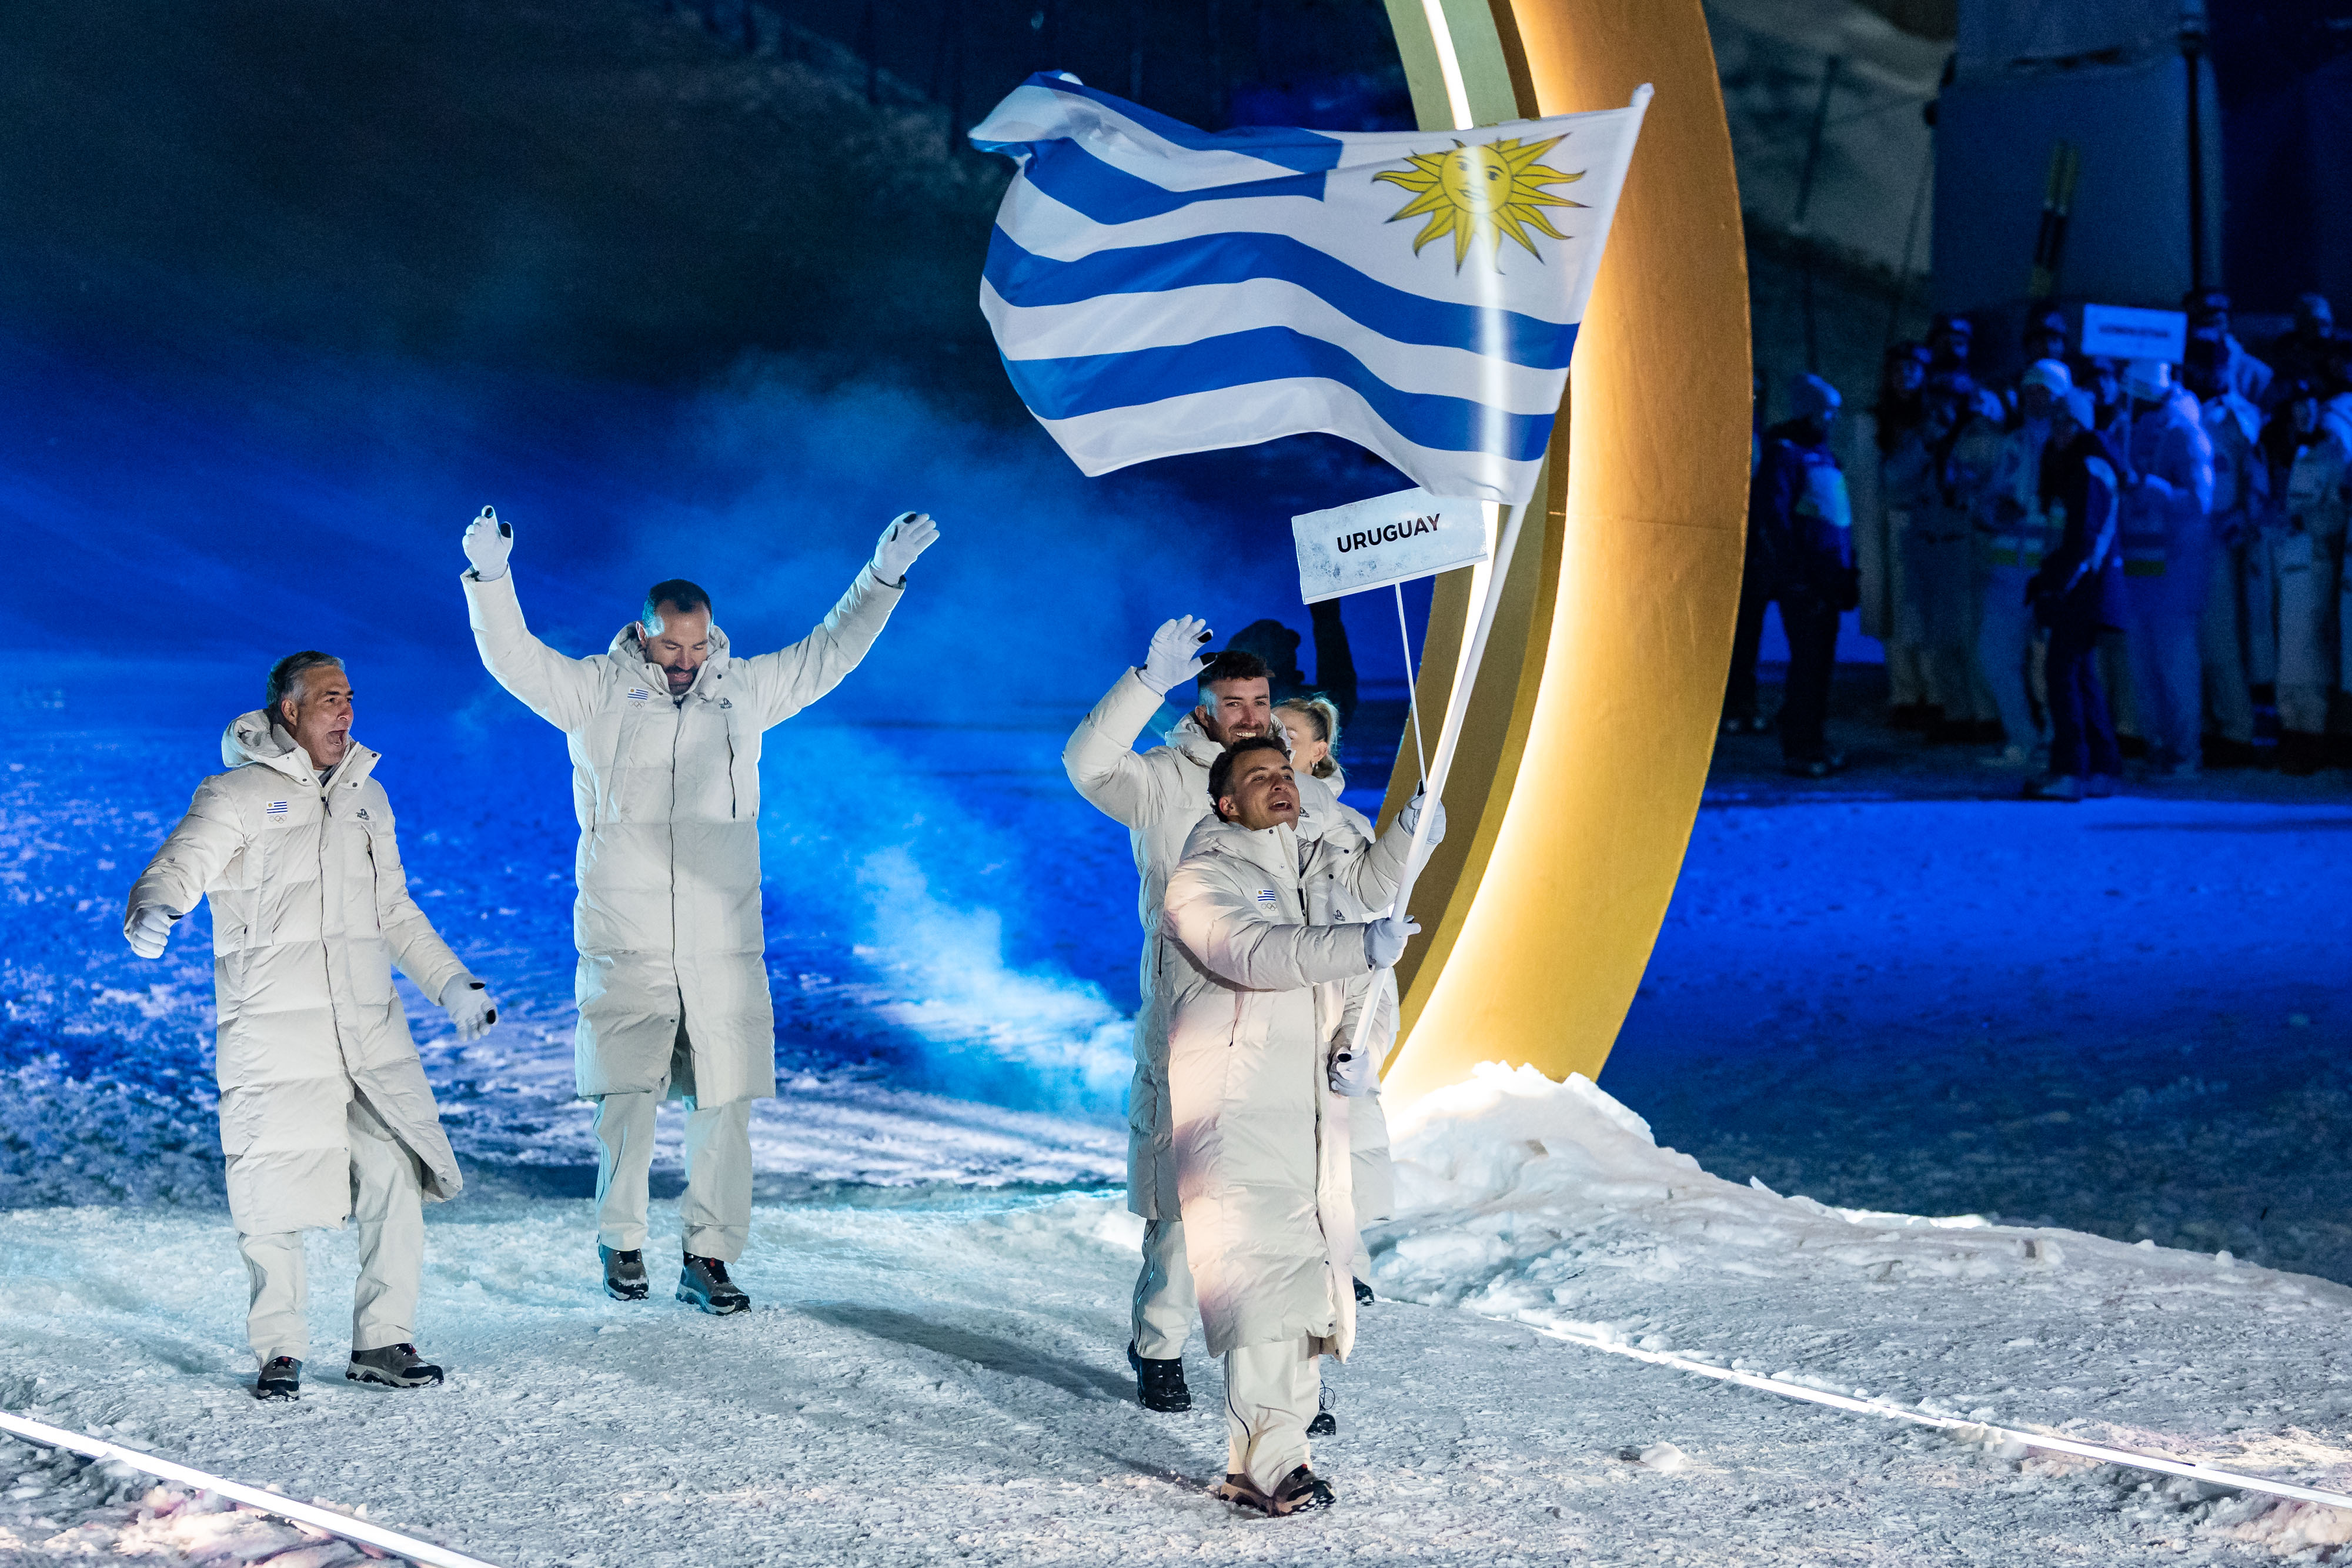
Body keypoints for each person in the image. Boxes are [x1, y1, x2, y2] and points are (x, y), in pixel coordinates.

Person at [459, 506, 936, 1312]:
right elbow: (513, 656)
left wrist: (882, 576)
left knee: (724, 1101)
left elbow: (830, 651)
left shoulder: (741, 691)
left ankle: (709, 1256)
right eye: (670, 647)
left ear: (712, 637)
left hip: (721, 938)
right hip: (628, 934)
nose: (685, 662)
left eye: (697, 646)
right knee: (627, 1098)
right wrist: (492, 578)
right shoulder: (595, 690)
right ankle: (621, 1241)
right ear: (643, 635)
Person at [122, 652, 495, 1400]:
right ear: (289, 711)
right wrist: (154, 906)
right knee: (269, 1186)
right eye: (329, 699)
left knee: (394, 1172)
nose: (345, 711)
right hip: (274, 1031)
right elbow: (182, 861)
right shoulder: (235, 794)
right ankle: (280, 1350)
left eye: (349, 697)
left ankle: (383, 1339)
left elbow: (393, 911)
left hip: (365, 1029)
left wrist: (452, 984)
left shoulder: (367, 798)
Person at [1065, 630, 1419, 1412]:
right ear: (1203, 711)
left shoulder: (1299, 795)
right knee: (1189, 1213)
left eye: (1261, 702)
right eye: (1233, 704)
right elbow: (1087, 765)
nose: (1252, 715)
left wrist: (1406, 831)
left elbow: (1355, 902)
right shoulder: (1163, 783)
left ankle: (1290, 1388)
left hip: (1288, 1027)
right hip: (1198, 1021)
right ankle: (1158, 1340)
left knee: (1291, 1213)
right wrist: (1145, 682)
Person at [1160, 735, 1421, 1516]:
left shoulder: (1316, 878)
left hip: (1310, 1116)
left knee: (1307, 1289)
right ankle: (1271, 1461)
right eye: (1257, 776)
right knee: (1262, 1288)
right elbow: (1253, 952)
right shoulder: (1202, 878)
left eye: (1284, 772)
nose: (1280, 783)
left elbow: (1358, 991)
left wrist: (1355, 1049)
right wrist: (1354, 941)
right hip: (1236, 1113)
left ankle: (1274, 1459)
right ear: (1225, 803)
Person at [1746, 374, 1858, 776]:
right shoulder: (1786, 455)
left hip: (1829, 575)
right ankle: (1801, 745)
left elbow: (1837, 517)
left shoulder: (1823, 456)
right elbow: (1775, 517)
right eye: (1826, 411)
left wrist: (1847, 568)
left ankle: (1812, 737)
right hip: (1806, 578)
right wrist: (1795, 572)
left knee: (1820, 663)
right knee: (1809, 663)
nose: (1833, 419)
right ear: (1808, 411)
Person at [2023, 391, 2129, 800]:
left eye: (2067, 423)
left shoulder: (2088, 467)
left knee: (2061, 672)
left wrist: (2057, 585)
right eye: (2055, 423)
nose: (2059, 431)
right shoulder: (2080, 465)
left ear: (2082, 426)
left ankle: (2072, 769)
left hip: (2084, 588)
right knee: (2080, 674)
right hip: (2085, 585)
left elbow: (2085, 539)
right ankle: (2101, 766)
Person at [2113, 360, 2217, 774]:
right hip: (2137, 567)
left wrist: (2149, 487)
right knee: (2143, 667)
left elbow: (2200, 501)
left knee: (2175, 666)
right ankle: (2158, 745)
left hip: (2174, 571)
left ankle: (2186, 753)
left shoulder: (2185, 432)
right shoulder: (2127, 431)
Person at [1973, 359, 2071, 766]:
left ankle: (2056, 740)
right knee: (1995, 655)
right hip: (2008, 569)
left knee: (2054, 663)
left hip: (2052, 571)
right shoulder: (2010, 443)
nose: (2035, 397)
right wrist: (1995, 510)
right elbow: (1986, 500)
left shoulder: (2071, 445)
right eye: (2029, 389)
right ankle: (2022, 737)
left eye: (2044, 390)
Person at [2184, 330, 2269, 765]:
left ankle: (2237, 731)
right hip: (2183, 541)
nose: (2210, 371)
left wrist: (2241, 518)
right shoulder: (2181, 409)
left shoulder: (2239, 417)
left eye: (2217, 363)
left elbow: (2257, 476)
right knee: (2189, 642)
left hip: (2220, 541)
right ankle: (2201, 727)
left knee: (2222, 641)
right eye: (2203, 363)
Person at [2273, 382, 2352, 773]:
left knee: (2309, 655)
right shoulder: (2295, 452)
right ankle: (2292, 731)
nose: (2303, 415)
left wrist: (2304, 523)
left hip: (2314, 565)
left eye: (2308, 407)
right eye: (2296, 409)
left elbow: (2338, 513)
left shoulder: (2332, 453)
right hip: (2287, 563)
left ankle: (2311, 738)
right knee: (2288, 656)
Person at [1869, 342, 1936, 728]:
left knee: (1924, 613)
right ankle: (1905, 693)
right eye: (1899, 369)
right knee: (1896, 613)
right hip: (1893, 523)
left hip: (1928, 525)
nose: (1905, 376)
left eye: (1913, 368)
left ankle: (1933, 691)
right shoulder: (1878, 421)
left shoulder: (1933, 419)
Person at [2184, 289, 2274, 410]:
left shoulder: (2257, 374)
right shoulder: (2170, 369)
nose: (2207, 333)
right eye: (2199, 323)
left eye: (2214, 323)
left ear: (2228, 323)